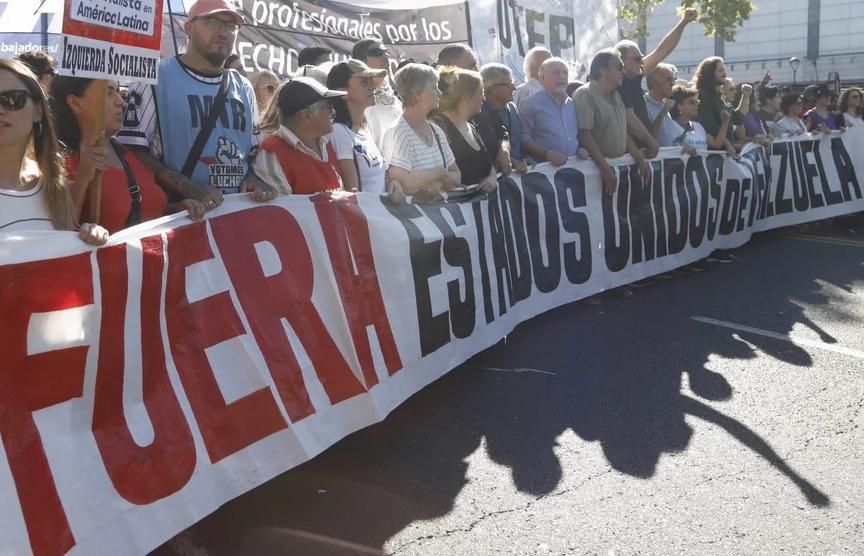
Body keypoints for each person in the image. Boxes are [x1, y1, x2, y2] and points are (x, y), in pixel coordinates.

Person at [117, 0, 276, 207]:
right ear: (189, 28)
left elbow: (253, 152)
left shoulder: (244, 87)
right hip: (183, 216)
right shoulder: (154, 78)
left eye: (231, 25)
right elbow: (131, 150)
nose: (223, 32)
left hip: (235, 214)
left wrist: (253, 178)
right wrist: (185, 186)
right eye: (213, 21)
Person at [51, 76, 207, 233]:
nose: (121, 102)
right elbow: (60, 232)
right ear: (75, 103)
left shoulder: (127, 154)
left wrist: (177, 210)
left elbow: (146, 211)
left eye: (118, 92)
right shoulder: (58, 164)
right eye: (109, 93)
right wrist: (82, 180)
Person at [0, 59, 106, 244]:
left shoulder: (52, 183)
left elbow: (62, 245)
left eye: (12, 99)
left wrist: (87, 235)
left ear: (37, 111)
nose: (0, 110)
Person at [573, 48, 650, 194]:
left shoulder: (616, 95)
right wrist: (606, 170)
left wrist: (640, 160)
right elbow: (585, 135)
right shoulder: (585, 94)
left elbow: (623, 132)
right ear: (602, 70)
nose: (623, 71)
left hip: (616, 171)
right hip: (595, 175)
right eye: (619, 67)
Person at [252, 77, 346, 194]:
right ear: (307, 115)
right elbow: (281, 204)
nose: (333, 112)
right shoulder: (272, 151)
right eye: (328, 106)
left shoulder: (325, 143)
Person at [381, 63, 460, 199]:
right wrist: (440, 173)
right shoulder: (398, 132)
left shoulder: (436, 131)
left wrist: (437, 185)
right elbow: (405, 183)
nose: (439, 93)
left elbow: (457, 175)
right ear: (416, 93)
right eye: (434, 87)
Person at [615, 9, 698, 134]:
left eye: (642, 58)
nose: (642, 62)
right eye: (637, 59)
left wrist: (683, 22)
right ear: (622, 61)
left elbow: (662, 51)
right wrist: (651, 143)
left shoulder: (636, 76)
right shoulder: (614, 87)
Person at [430, 67, 497, 191]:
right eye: (480, 93)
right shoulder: (437, 127)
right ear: (466, 97)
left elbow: (488, 164)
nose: (484, 98)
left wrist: (492, 177)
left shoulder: (471, 126)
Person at [326, 60, 388, 193]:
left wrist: (394, 185)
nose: (372, 87)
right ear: (342, 92)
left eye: (372, 81)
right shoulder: (339, 132)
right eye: (364, 82)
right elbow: (352, 192)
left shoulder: (366, 127)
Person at [518, 57, 585, 166]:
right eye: (556, 72)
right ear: (542, 78)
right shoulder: (530, 104)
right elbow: (523, 136)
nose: (562, 77)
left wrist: (579, 149)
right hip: (545, 170)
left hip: (573, 168)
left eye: (565, 73)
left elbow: (573, 135)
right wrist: (546, 153)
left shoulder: (571, 104)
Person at [476, 63, 528, 174]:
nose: (514, 88)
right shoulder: (479, 113)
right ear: (492, 88)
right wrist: (512, 161)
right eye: (508, 84)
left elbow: (518, 139)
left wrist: (526, 157)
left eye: (513, 83)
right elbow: (485, 149)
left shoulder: (512, 108)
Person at [353, 38, 402, 153]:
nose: (386, 56)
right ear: (362, 61)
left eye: (386, 51)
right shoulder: (359, 100)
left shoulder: (392, 96)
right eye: (378, 52)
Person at [694, 56, 748, 156]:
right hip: (713, 155)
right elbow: (709, 127)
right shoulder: (703, 95)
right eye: (720, 71)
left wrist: (746, 96)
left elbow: (738, 119)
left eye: (724, 70)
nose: (725, 74)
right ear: (710, 74)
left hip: (725, 154)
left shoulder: (719, 96)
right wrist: (727, 144)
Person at [644, 63, 682, 146]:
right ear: (652, 82)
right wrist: (663, 113)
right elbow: (648, 140)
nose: (673, 83)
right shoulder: (643, 106)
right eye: (668, 79)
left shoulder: (664, 106)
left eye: (673, 80)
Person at [669, 85, 709, 152]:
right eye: (692, 102)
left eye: (697, 102)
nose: (696, 105)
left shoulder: (699, 127)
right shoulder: (670, 126)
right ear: (679, 106)